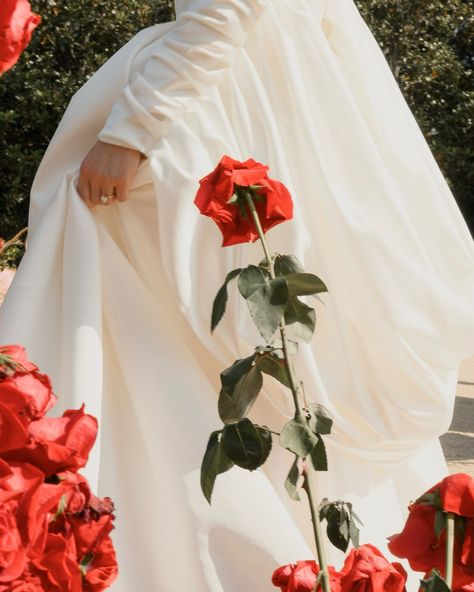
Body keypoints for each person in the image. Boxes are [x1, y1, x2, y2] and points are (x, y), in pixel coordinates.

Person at [1, 0, 473, 589]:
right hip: (278, 95)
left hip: (220, 101)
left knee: (208, 326)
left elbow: (226, 9)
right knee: (258, 348)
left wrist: (132, 129)